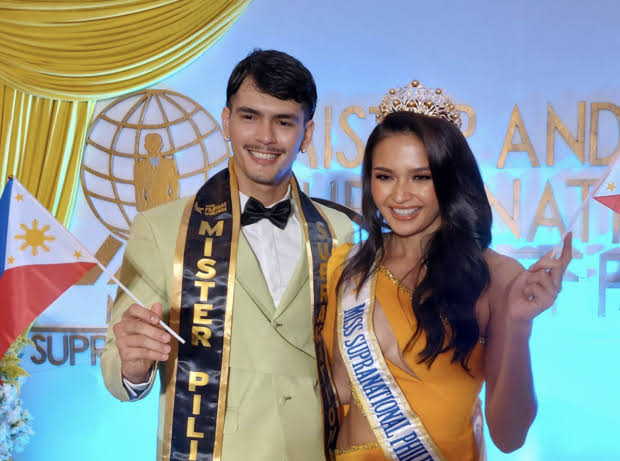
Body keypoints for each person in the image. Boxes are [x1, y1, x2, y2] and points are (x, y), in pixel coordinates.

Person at [101, 49, 355, 461]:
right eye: (250, 116)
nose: (265, 137)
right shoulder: (161, 228)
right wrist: (133, 367)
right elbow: (117, 366)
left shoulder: (341, 231)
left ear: (307, 134)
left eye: (283, 121)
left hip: (316, 449)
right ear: (227, 122)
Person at [320, 81, 572, 461]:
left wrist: (519, 325)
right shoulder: (346, 266)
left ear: (451, 178)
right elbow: (330, 395)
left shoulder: (497, 275)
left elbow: (509, 436)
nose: (399, 195)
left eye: (421, 177)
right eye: (385, 176)